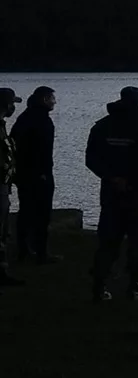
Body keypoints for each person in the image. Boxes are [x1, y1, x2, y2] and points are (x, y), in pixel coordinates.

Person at [86, 86, 138, 301]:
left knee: (108, 237)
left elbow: (91, 158)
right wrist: (130, 179)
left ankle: (99, 285)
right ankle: (135, 285)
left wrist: (112, 177)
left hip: (111, 192)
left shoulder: (102, 126)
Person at [11, 86, 59, 263]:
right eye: (52, 98)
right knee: (41, 214)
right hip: (38, 175)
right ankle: (39, 251)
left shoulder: (25, 118)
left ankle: (25, 249)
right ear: (44, 99)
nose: (54, 102)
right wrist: (42, 172)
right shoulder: (41, 120)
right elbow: (40, 150)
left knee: (26, 211)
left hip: (25, 173)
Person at [0, 87, 25, 286]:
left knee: (3, 230)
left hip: (4, 185)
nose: (13, 108)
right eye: (11, 104)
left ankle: (2, 271)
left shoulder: (2, 126)